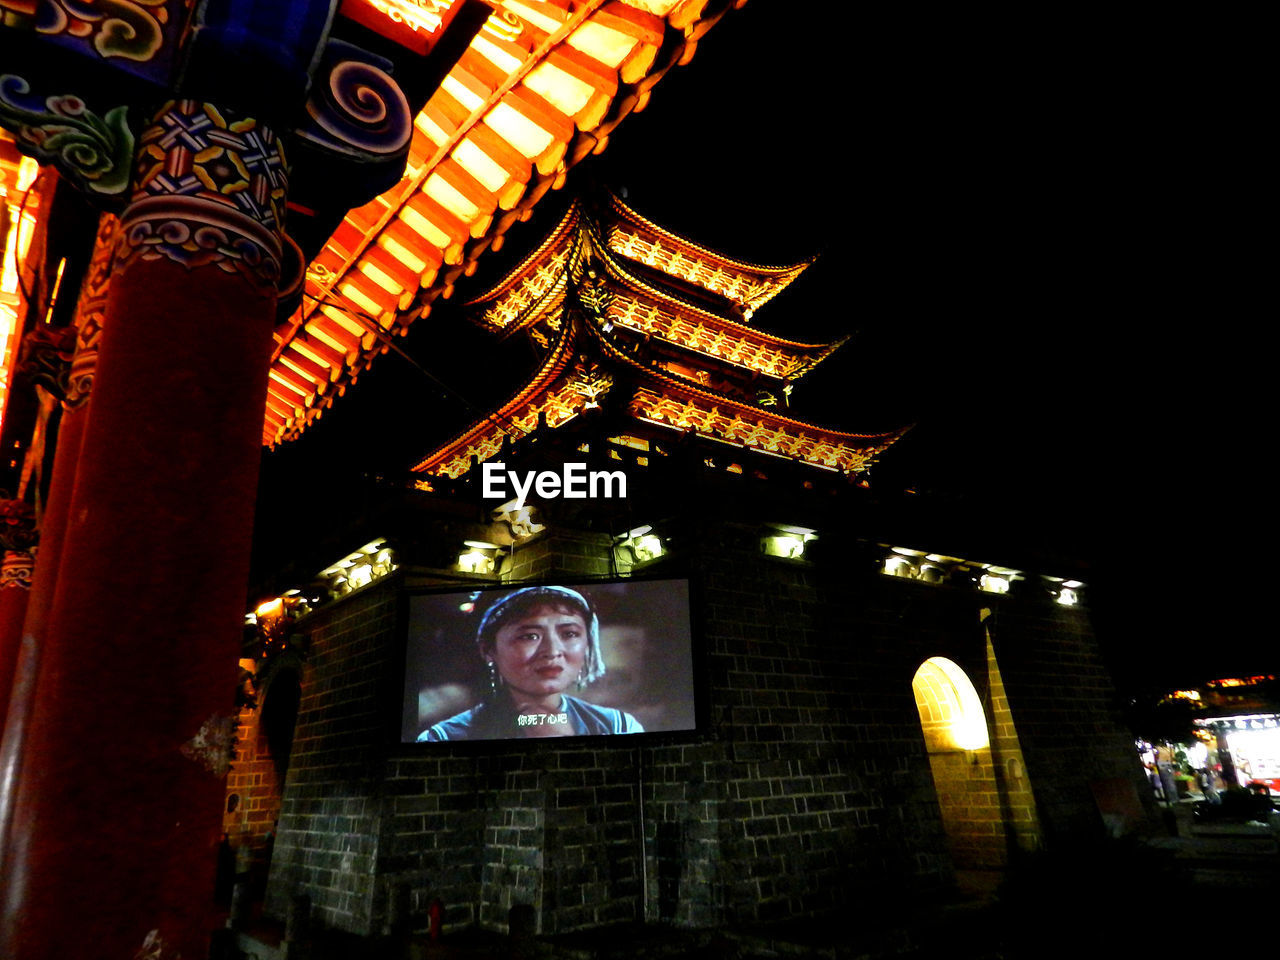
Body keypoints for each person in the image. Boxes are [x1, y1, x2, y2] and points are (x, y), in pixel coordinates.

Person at [418, 586, 644, 741]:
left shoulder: (618, 725)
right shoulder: (442, 735)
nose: (553, 651)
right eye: (529, 636)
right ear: (489, 649)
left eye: (570, 634)